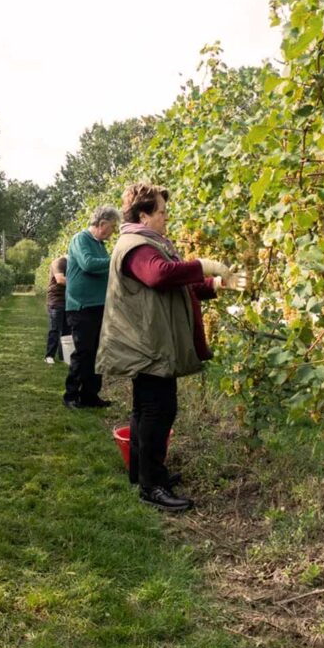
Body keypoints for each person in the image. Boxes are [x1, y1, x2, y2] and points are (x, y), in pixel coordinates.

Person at [97, 182, 246, 512]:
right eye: (162, 212)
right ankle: (152, 487)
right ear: (144, 214)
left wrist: (217, 285)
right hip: (147, 343)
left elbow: (177, 288)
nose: (167, 217)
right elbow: (160, 276)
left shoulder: (148, 242)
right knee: (158, 410)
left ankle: (144, 473)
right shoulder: (135, 246)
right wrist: (205, 264)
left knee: (146, 408)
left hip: (149, 340)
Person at [63, 205, 119, 409]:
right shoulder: (81, 239)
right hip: (81, 307)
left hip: (98, 306)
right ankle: (70, 395)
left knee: (97, 352)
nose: (113, 231)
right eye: (112, 226)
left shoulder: (100, 245)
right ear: (102, 223)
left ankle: (90, 395)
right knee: (84, 352)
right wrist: (115, 259)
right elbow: (87, 264)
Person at [44, 256, 70, 364]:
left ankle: (64, 356)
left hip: (68, 301)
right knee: (55, 329)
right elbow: (60, 280)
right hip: (56, 301)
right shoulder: (59, 262)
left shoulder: (72, 263)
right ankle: (49, 356)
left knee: (66, 330)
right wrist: (78, 284)